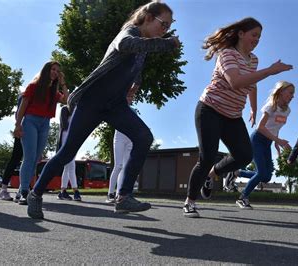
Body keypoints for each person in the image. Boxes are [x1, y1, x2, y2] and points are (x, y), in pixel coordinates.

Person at [27, 1, 180, 219]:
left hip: (115, 104)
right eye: (163, 24)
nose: (165, 31)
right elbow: (125, 45)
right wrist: (166, 44)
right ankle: (36, 193)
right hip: (92, 101)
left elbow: (134, 68)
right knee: (67, 152)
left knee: (144, 137)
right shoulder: (129, 32)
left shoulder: (143, 46)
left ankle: (123, 196)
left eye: (168, 27)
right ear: (147, 17)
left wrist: (135, 84)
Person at [183, 17, 293, 218]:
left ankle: (213, 174)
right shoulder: (227, 54)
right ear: (241, 34)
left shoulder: (253, 59)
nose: (257, 39)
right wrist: (269, 71)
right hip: (210, 109)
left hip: (232, 115)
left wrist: (252, 107)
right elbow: (235, 82)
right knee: (206, 156)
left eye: (259, 37)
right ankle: (190, 202)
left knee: (244, 155)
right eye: (254, 35)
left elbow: (252, 83)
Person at [231, 81, 295, 209]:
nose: (292, 96)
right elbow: (261, 127)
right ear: (281, 92)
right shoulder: (271, 106)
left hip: (268, 141)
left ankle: (237, 173)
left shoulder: (287, 110)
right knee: (260, 173)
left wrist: (277, 143)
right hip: (257, 140)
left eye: (293, 94)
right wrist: (279, 140)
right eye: (290, 93)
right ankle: (242, 197)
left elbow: (276, 127)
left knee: (266, 176)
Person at [13, 61, 69, 205]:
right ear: (46, 71)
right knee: (29, 157)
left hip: (45, 124)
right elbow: (23, 106)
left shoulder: (54, 92)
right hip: (30, 121)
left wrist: (63, 83)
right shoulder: (33, 86)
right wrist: (18, 125)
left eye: (57, 71)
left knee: (36, 159)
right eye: (53, 69)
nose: (55, 72)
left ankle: (21, 190)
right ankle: (25, 191)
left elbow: (67, 100)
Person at [0, 94, 23, 201]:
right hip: (23, 129)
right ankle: (4, 190)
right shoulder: (27, 95)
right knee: (16, 159)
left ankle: (22, 189)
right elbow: (19, 114)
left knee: (24, 159)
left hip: (27, 128)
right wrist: (18, 126)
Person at [57, 105, 81, 201]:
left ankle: (63, 191)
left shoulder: (76, 114)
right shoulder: (65, 110)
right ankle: (75, 191)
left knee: (67, 168)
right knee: (71, 166)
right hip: (66, 142)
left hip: (73, 142)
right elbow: (66, 127)